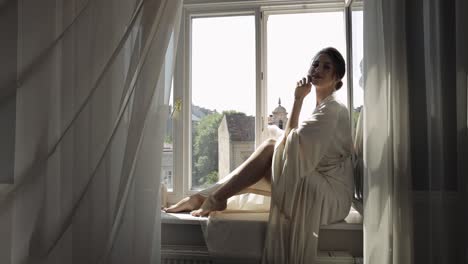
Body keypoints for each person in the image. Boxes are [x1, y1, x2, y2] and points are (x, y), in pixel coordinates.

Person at [163, 47, 354, 263]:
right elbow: (292, 144)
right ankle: (206, 198)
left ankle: (211, 198)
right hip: (319, 185)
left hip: (331, 197)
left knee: (272, 146)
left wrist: (296, 104)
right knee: (269, 156)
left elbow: (291, 145)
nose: (318, 69)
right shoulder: (322, 108)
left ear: (336, 78)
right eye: (315, 64)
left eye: (326, 67)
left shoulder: (333, 109)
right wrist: (297, 102)